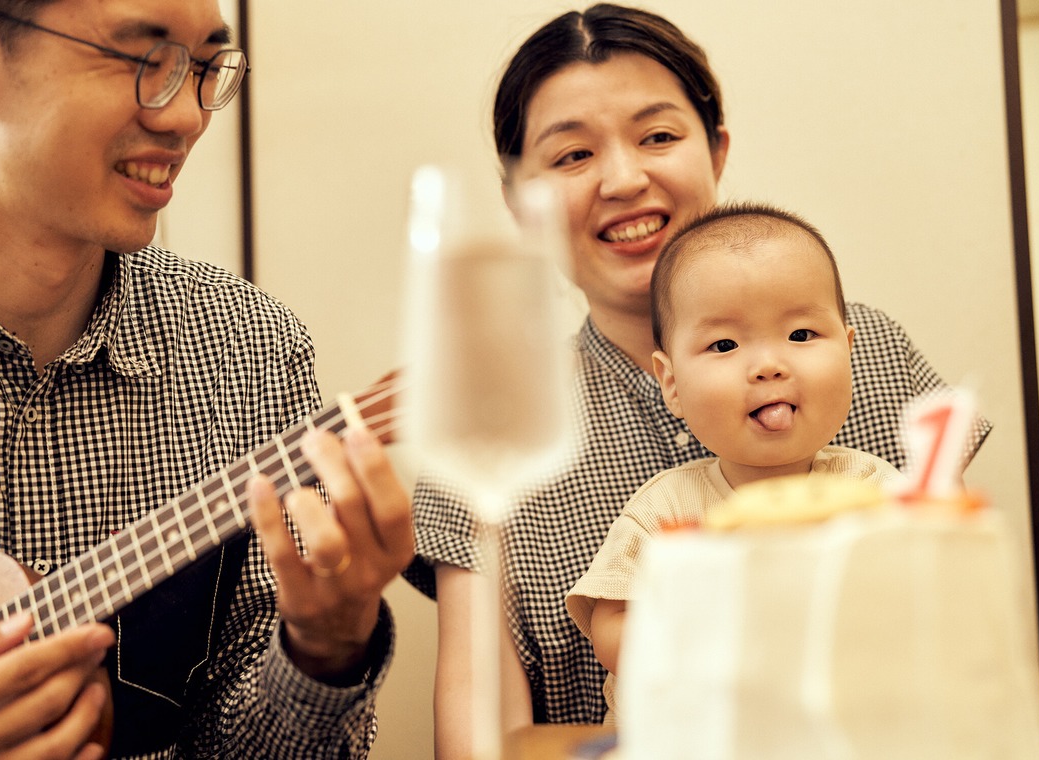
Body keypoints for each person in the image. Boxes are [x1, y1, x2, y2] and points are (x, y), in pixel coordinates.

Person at [404, 4, 991, 756]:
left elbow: (954, 618)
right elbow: (480, 740)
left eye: (657, 136)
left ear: (715, 150)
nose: (624, 179)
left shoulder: (868, 350)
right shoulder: (492, 428)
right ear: (524, 204)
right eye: (573, 155)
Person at [0, 1, 412, 758]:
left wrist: (323, 652)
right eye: (142, 59)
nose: (188, 116)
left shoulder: (249, 351)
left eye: (205, 67)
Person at [564, 201, 904, 723]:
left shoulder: (876, 492)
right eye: (724, 344)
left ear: (849, 351)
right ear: (672, 383)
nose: (768, 365)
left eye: (801, 335)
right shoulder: (665, 511)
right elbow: (611, 629)